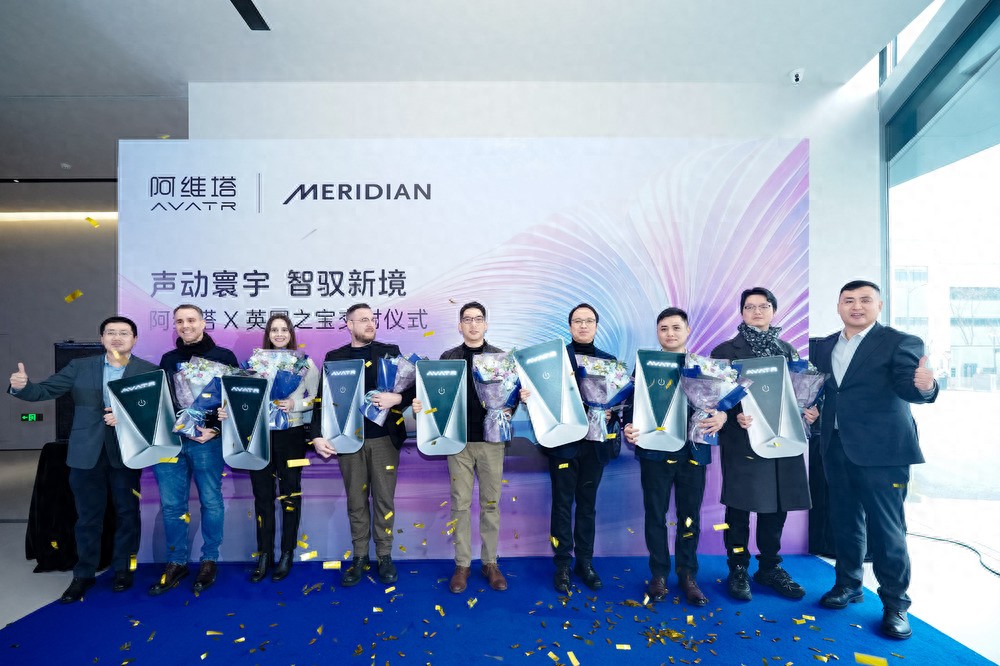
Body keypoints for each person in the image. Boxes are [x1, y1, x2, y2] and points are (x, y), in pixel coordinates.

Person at [812, 280, 937, 640]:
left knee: (887, 530)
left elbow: (909, 387)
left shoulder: (900, 342)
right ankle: (848, 584)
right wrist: (813, 411)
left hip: (883, 451)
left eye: (865, 300)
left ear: (879, 306)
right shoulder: (823, 346)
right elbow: (825, 390)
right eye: (848, 300)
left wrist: (926, 387)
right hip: (836, 447)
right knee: (844, 521)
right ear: (838, 306)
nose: (857, 306)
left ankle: (895, 604)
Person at [7, 316, 157, 603]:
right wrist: (22, 387)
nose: (117, 337)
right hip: (85, 453)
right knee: (88, 517)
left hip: (127, 454)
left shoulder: (148, 371)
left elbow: (155, 413)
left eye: (124, 333)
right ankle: (84, 574)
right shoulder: (80, 366)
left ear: (135, 339)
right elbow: (44, 390)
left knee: (127, 514)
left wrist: (127, 418)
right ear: (101, 338)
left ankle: (123, 570)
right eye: (110, 332)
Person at [711, 287, 815, 601]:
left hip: (782, 439)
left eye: (764, 306)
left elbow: (798, 394)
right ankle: (738, 567)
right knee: (739, 507)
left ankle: (769, 567)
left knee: (777, 505)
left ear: (773, 310)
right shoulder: (725, 351)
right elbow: (713, 399)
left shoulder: (788, 351)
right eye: (750, 307)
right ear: (741, 312)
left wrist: (809, 411)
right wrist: (734, 416)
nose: (757, 311)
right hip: (742, 441)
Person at [622, 307, 724, 606]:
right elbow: (629, 404)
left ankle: (688, 575)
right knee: (655, 514)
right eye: (663, 328)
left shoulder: (705, 368)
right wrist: (628, 425)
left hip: (693, 451)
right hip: (654, 452)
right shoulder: (645, 366)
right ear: (657, 332)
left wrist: (722, 416)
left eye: (676, 327)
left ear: (688, 330)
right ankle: (658, 574)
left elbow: (721, 403)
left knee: (689, 515)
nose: (670, 333)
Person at [311, 303, 415, 586]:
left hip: (384, 440)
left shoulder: (390, 352)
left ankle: (384, 555)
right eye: (364, 320)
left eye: (373, 320)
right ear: (349, 325)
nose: (371, 324)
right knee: (356, 502)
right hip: (347, 440)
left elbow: (415, 386)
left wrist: (398, 399)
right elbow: (322, 399)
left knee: (384, 500)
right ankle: (359, 556)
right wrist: (316, 435)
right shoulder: (335, 357)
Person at [411, 301, 509, 594]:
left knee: (491, 504)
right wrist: (421, 405)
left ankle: (490, 562)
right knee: (460, 504)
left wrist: (513, 404)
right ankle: (462, 564)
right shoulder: (448, 357)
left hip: (491, 442)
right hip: (457, 442)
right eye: (467, 319)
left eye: (478, 319)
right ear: (459, 325)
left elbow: (511, 396)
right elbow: (436, 396)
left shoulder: (500, 357)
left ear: (486, 324)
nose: (473, 324)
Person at [522, 303, 617, 594]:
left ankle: (585, 563)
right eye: (578, 321)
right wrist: (529, 396)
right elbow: (541, 396)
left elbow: (620, 403)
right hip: (563, 444)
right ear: (570, 326)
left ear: (596, 326)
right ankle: (562, 563)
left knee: (587, 506)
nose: (583, 326)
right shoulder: (554, 359)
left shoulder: (609, 361)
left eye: (589, 321)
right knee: (562, 505)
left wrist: (611, 412)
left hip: (594, 446)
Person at [149, 304, 239, 595]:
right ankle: (176, 561)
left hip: (207, 441)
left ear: (203, 323)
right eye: (179, 321)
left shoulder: (224, 357)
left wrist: (214, 428)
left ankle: (209, 559)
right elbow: (164, 401)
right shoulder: (169, 359)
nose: (185, 325)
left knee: (211, 501)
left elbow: (235, 401)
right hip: (172, 442)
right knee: (172, 506)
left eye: (191, 320)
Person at [245, 315, 319, 583]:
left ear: (291, 334)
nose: (279, 334)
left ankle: (287, 553)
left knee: (290, 494)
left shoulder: (304, 362)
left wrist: (295, 405)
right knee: (262, 496)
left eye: (284, 329)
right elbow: (247, 396)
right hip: (260, 436)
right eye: (274, 330)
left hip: (293, 435)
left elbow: (317, 398)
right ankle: (264, 554)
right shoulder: (254, 363)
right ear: (267, 334)